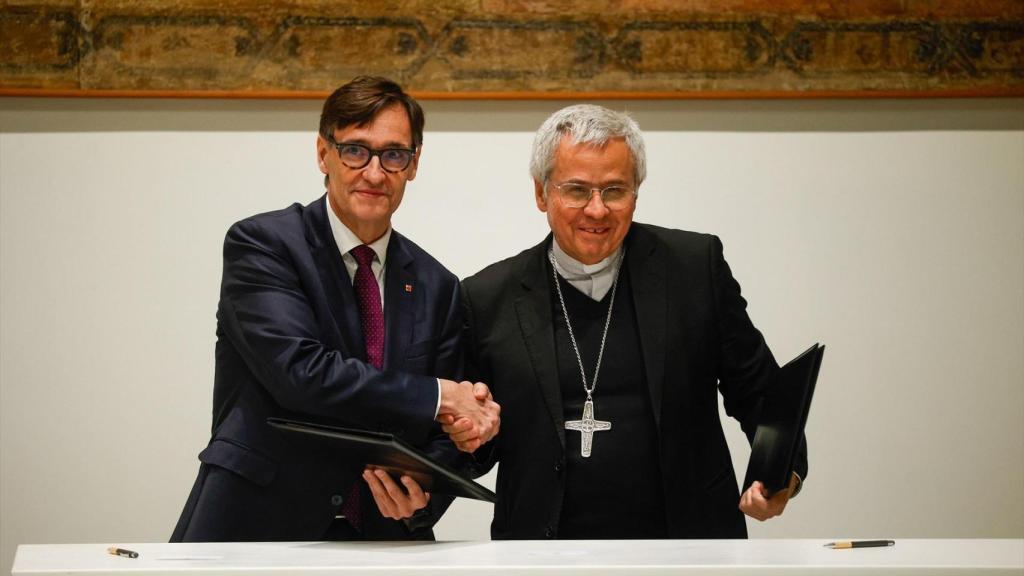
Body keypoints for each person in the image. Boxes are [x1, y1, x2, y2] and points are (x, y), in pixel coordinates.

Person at [451, 104, 806, 539]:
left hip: (687, 547)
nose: (597, 211)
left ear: (636, 192)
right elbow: (473, 441)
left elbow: (761, 394)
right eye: (577, 190)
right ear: (542, 193)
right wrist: (466, 435)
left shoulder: (694, 270)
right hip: (542, 552)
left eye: (615, 190)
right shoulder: (487, 296)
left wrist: (780, 474)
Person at [171, 76, 499, 542]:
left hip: (384, 538)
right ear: (323, 153)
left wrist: (429, 475)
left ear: (413, 164)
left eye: (393, 154)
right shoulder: (264, 245)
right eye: (355, 150)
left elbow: (443, 433)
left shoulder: (437, 284)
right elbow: (300, 373)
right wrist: (441, 397)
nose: (374, 172)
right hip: (256, 525)